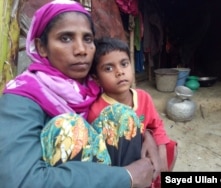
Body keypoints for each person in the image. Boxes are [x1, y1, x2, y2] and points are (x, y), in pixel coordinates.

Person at [0, 1, 159, 187]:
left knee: (122, 115)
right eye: (65, 38)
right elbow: (19, 181)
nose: (81, 50)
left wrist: (147, 136)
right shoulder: (21, 99)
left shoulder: (94, 87)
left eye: (88, 39)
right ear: (42, 47)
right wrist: (126, 177)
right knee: (68, 127)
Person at [88, 37, 178, 187]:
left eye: (124, 64)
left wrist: (161, 148)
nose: (119, 72)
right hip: (120, 162)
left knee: (170, 147)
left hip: (143, 151)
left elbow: (156, 124)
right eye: (108, 68)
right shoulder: (98, 110)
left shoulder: (143, 97)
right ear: (96, 79)